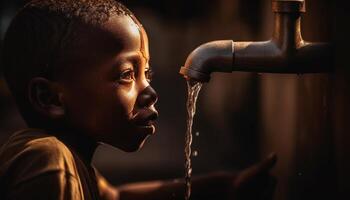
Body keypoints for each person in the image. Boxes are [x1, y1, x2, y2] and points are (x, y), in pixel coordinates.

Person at [0, 0, 277, 199]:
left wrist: (228, 186)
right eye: (126, 75)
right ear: (50, 98)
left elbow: (117, 196)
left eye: (147, 73)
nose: (150, 92)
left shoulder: (75, 164)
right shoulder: (47, 161)